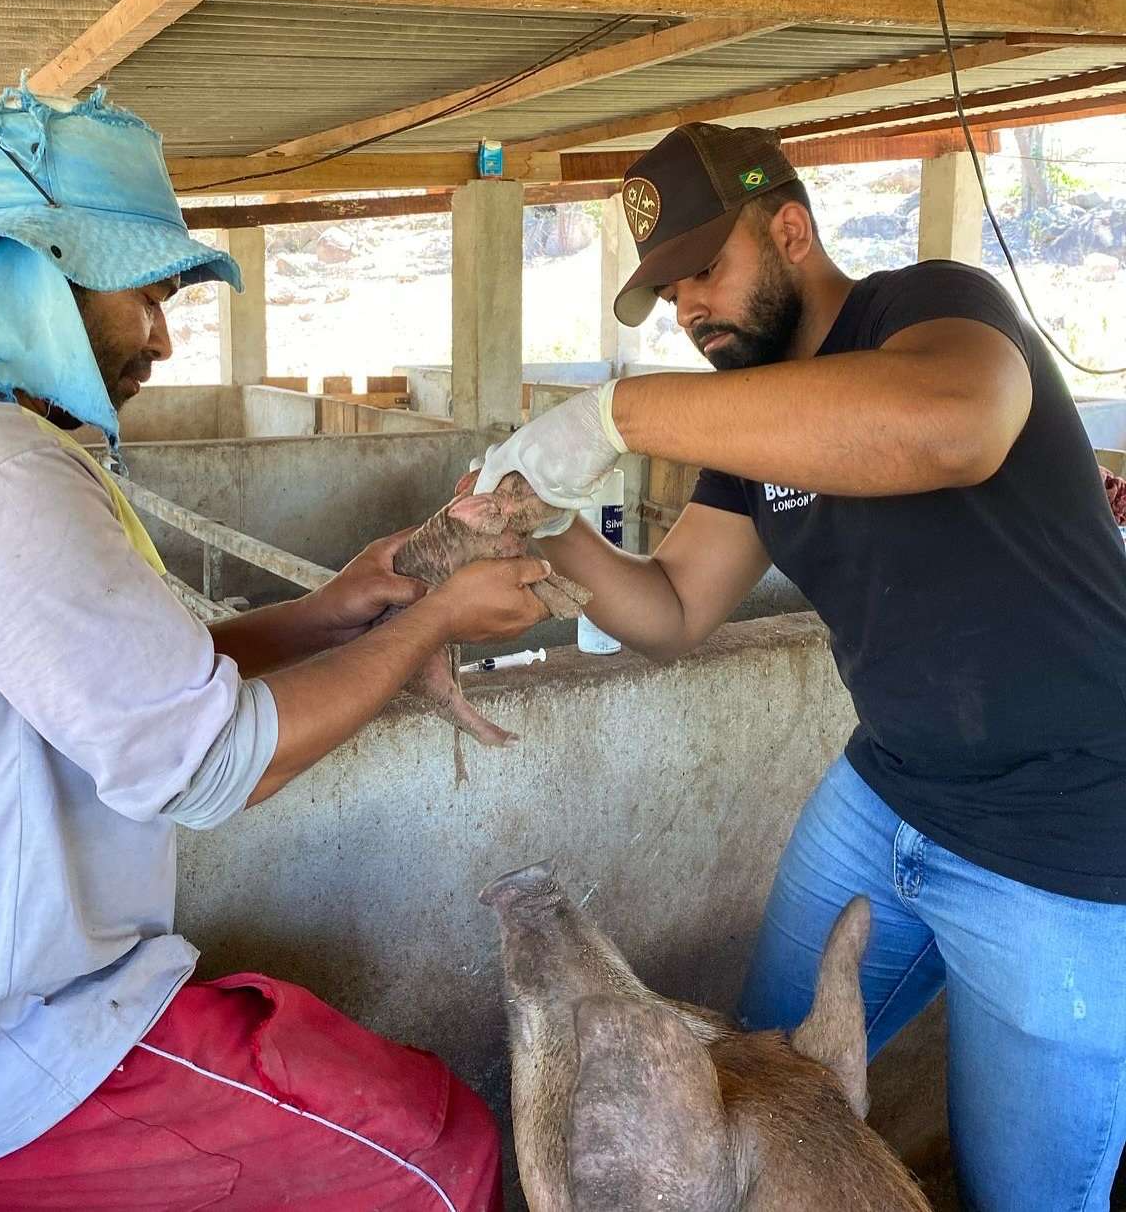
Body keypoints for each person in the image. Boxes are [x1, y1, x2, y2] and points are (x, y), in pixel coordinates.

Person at [475, 122, 1126, 1212]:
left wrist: (616, 413)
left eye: (704, 270)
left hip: (1062, 834)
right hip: (888, 795)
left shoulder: (932, 307)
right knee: (765, 1077)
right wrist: (552, 528)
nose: (689, 309)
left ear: (790, 230)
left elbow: (955, 426)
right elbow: (675, 607)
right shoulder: (754, 416)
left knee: (1022, 1193)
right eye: (669, 292)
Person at [0, 83, 548, 1210]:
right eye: (147, 295)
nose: (163, 339)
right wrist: (435, 620)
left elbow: (99, 682)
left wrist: (332, 610)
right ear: (36, 266)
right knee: (438, 1148)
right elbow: (209, 766)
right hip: (9, 1050)